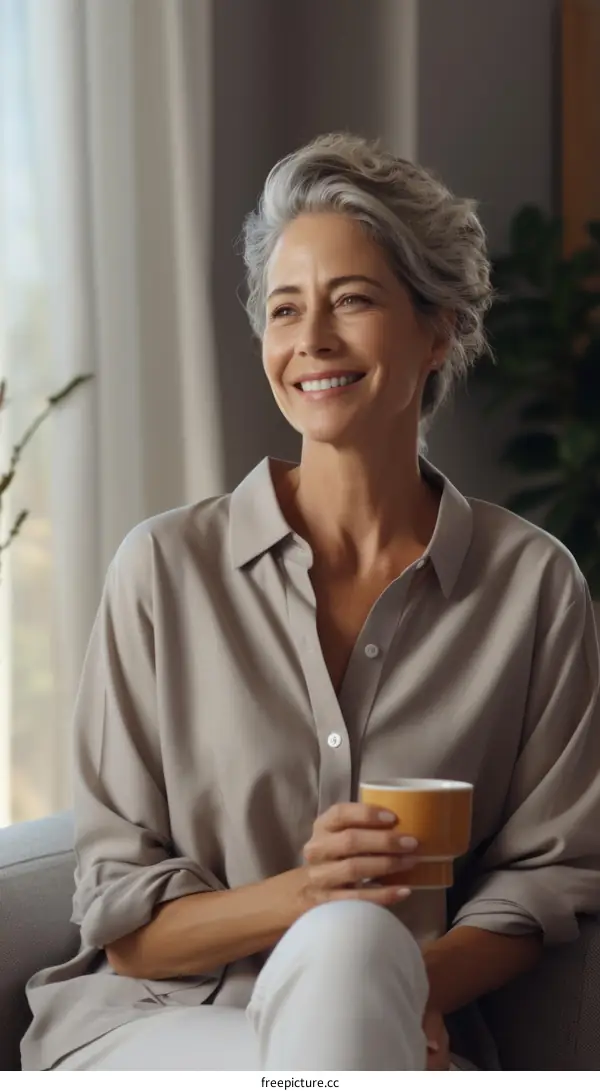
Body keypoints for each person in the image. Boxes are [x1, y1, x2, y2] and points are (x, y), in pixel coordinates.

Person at [22, 132, 600, 1072]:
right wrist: (310, 895)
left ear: (439, 326)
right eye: (285, 310)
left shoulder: (533, 587)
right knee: (349, 936)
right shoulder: (163, 572)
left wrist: (392, 984)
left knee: (361, 949)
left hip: (388, 1026)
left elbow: (552, 875)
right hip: (158, 1028)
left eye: (355, 300)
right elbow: (126, 926)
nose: (311, 341)